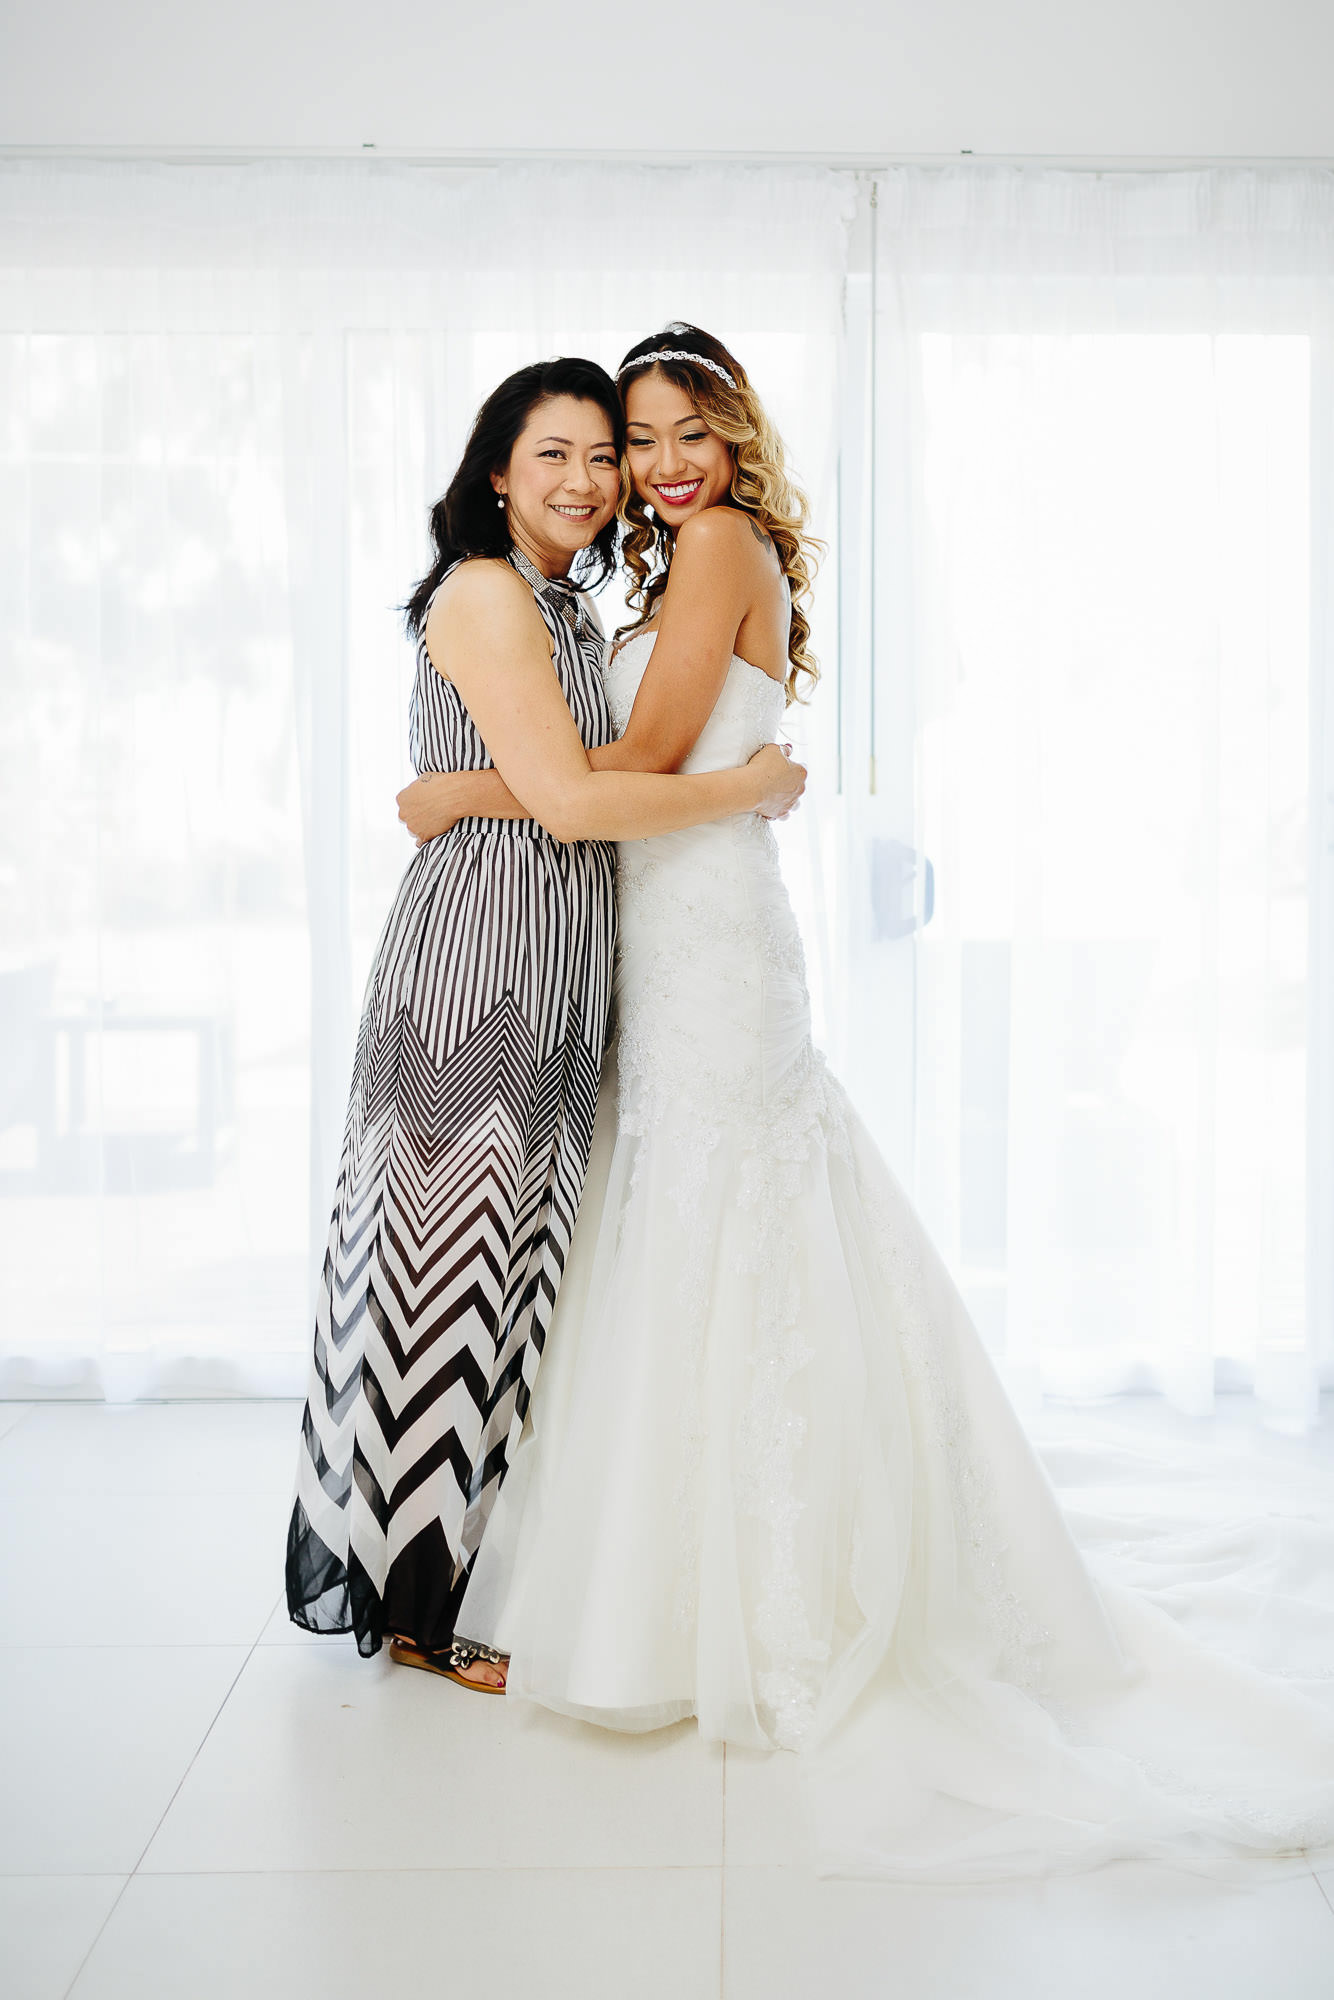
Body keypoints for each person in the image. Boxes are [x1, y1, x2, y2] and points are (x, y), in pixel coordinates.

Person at [397, 326, 1334, 1878]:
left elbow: (623, 759)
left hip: (701, 929)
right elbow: (636, 766)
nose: (660, 461)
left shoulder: (720, 549)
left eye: (687, 428)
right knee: (682, 1209)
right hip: (669, 915)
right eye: (635, 436)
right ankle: (665, 1568)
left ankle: (745, 1595)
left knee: (723, 1206)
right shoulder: (665, 564)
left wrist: (458, 792)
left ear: (738, 435)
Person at [284, 355, 805, 1692]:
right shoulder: (484, 591)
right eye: (557, 455)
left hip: (561, 951)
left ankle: (461, 1572)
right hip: (478, 961)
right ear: (496, 474)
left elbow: (570, 777)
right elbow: (574, 797)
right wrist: (741, 784)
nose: (587, 479)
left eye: (601, 455)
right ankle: (410, 1607)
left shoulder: (566, 601)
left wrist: (459, 788)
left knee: (509, 1276)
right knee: (438, 1276)